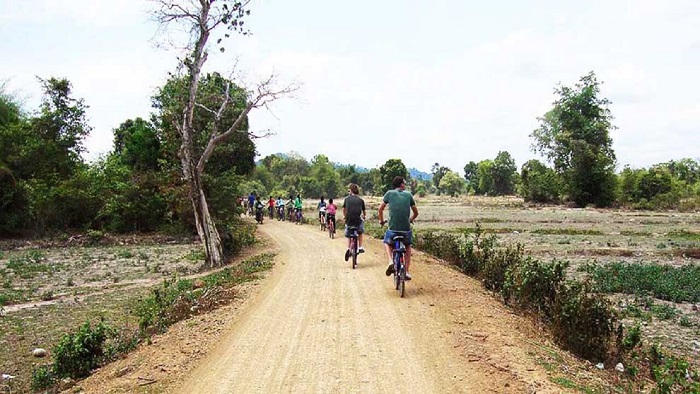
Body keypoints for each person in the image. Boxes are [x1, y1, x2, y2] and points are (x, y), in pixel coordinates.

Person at [378, 176, 418, 280]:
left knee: (386, 242)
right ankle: (407, 271)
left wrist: (382, 221)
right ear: (401, 184)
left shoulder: (389, 193)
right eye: (404, 183)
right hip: (406, 230)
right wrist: (410, 219)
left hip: (393, 230)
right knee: (408, 246)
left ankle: (390, 260)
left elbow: (380, 209)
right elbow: (416, 212)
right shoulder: (408, 195)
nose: (405, 185)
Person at [343, 183, 366, 261]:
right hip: (357, 220)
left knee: (349, 234)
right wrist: (364, 217)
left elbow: (344, 210)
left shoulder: (346, 199)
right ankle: (360, 247)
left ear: (351, 191)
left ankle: (348, 248)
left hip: (349, 220)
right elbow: (364, 212)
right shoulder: (361, 200)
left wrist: (344, 216)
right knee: (360, 231)